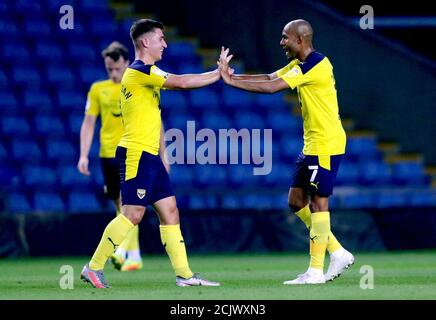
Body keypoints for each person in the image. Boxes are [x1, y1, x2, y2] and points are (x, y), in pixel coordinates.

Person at [81, 19, 227, 288]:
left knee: (170, 212)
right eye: (161, 38)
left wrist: (163, 154)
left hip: (150, 156)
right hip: (136, 153)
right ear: (146, 42)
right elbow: (181, 83)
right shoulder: (138, 72)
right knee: (133, 214)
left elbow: (156, 116)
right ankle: (93, 267)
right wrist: (219, 74)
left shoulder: (145, 73)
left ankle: (184, 275)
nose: (165, 43)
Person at [218, 19, 354, 284]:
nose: (281, 43)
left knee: (318, 203)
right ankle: (338, 252)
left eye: (285, 38)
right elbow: (270, 77)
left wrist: (230, 82)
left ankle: (315, 271)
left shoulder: (316, 65)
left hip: (326, 143)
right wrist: (231, 76)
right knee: (296, 201)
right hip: (312, 143)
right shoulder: (301, 63)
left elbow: (271, 88)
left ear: (300, 40)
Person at [77, 41, 154, 272]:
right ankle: (135, 256)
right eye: (109, 69)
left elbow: (154, 119)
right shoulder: (97, 89)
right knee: (120, 205)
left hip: (132, 150)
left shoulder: (137, 86)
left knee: (127, 203)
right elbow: (89, 123)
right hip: (107, 153)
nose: (113, 73)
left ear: (127, 64)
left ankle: (119, 250)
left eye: (117, 68)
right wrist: (83, 155)